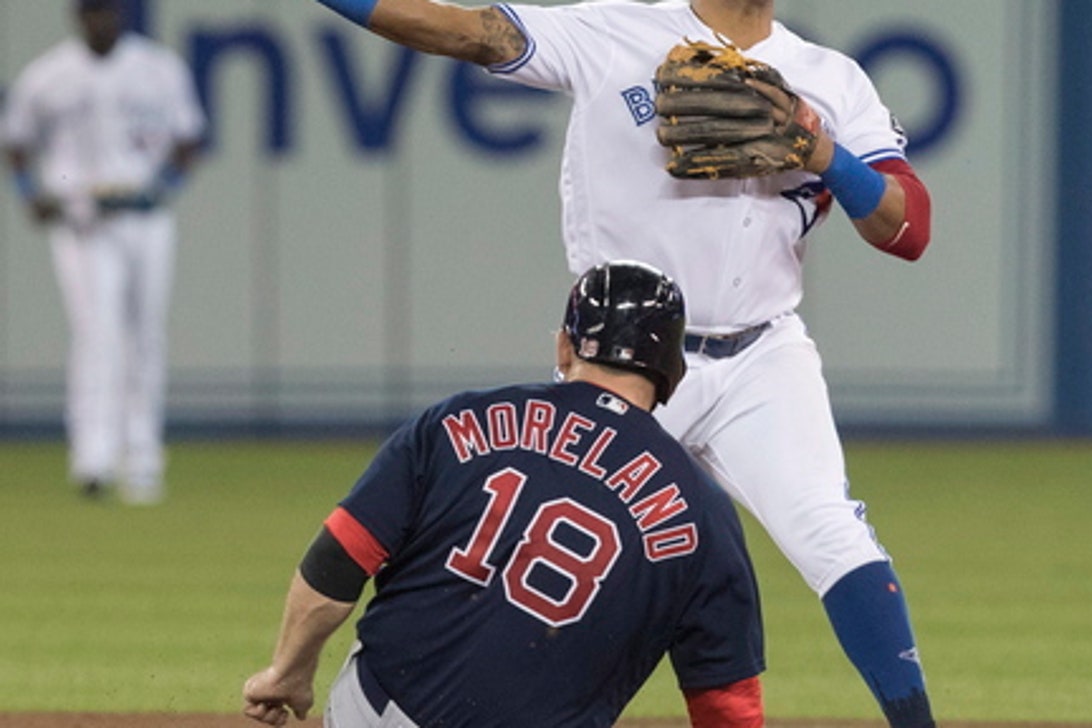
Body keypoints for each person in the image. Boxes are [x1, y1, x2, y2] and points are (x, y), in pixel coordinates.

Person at [311, 1, 937, 726]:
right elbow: (471, 30)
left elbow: (909, 228)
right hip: (622, 358)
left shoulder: (833, 80)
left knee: (832, 533)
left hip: (763, 356)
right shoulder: (615, 31)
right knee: (555, 561)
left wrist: (823, 151)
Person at [242, 261, 765, 727]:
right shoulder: (704, 511)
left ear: (564, 345)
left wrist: (288, 674)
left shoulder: (457, 418)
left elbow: (339, 557)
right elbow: (728, 701)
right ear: (673, 373)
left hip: (377, 711)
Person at [2, 0, 205, 505]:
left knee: (146, 334)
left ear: (120, 15)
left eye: (107, 11)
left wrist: (162, 186)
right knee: (98, 333)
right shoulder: (49, 75)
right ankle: (93, 458)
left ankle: (142, 461)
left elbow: (188, 138)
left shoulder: (157, 68)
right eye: (92, 12)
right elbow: (16, 141)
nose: (101, 21)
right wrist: (30, 193)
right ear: (78, 17)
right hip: (83, 218)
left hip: (144, 214)